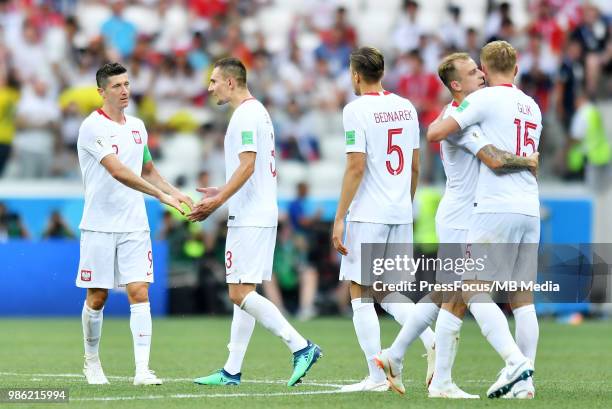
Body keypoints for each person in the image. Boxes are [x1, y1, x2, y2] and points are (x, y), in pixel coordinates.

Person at [375, 52, 538, 398]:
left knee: (447, 295)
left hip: (470, 214)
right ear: (456, 85)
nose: (480, 75)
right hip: (462, 217)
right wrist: (529, 159)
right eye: (471, 72)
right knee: (460, 296)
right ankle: (459, 376)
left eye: (480, 69)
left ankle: (397, 357)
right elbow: (493, 159)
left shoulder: (476, 114)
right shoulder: (460, 121)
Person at [188, 57, 321, 387]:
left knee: (238, 292)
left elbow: (248, 165)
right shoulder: (257, 111)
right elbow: (251, 169)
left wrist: (218, 201)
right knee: (244, 290)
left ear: (230, 82)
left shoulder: (245, 115)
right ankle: (231, 370)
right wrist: (223, 189)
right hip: (258, 210)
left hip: (250, 215)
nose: (210, 87)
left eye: (214, 81)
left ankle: (300, 346)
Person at [426, 41, 541, 399]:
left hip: (495, 206)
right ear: (517, 67)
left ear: (485, 71)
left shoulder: (486, 98)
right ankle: (524, 384)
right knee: (523, 298)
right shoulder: (532, 106)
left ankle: (514, 361)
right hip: (530, 206)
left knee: (471, 288)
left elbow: (435, 132)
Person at [76, 62, 192, 386]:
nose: (125, 91)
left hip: (134, 224)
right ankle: (91, 361)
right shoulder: (91, 127)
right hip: (99, 224)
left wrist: (175, 193)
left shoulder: (138, 126)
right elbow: (118, 171)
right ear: (101, 91)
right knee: (97, 297)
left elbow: (147, 169)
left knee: (139, 291)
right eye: (117, 86)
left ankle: (142, 369)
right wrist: (159, 196)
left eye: (127, 84)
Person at [331, 46, 435, 393]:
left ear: (355, 75)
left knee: (359, 292)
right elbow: (416, 165)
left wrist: (339, 218)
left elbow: (356, 166)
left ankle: (376, 377)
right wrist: (404, 204)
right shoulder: (406, 108)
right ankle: (429, 337)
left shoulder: (355, 110)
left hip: (368, 214)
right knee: (387, 291)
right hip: (400, 210)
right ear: (383, 72)